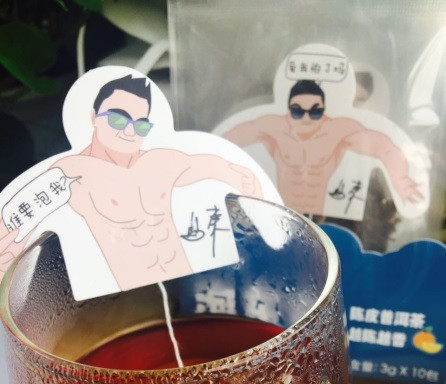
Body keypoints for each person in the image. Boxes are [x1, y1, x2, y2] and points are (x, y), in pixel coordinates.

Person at [0, 75, 262, 290]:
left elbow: (225, 169)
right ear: (93, 117)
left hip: (188, 289)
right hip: (126, 304)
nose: (128, 131)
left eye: (140, 125)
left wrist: (249, 187)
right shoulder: (73, 173)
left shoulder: (161, 161)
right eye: (118, 119)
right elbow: (14, 218)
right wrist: (6, 260)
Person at [223, 79, 423, 217]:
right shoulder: (273, 126)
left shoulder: (337, 130)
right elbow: (228, 139)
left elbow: (386, 147)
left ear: (324, 109)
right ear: (289, 108)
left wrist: (401, 180)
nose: (306, 118)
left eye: (315, 111)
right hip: (278, 215)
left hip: (325, 220)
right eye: (298, 111)